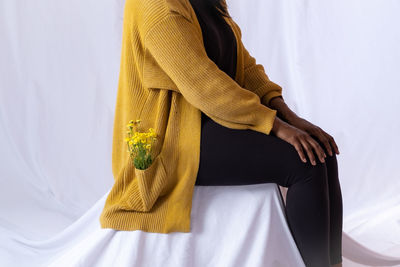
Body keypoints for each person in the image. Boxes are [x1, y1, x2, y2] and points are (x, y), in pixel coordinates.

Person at [190, 0, 343, 266]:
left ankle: (332, 263)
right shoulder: (155, 5)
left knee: (320, 151)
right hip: (179, 137)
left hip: (221, 120)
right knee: (302, 162)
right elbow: (204, 84)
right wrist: (277, 126)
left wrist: (291, 118)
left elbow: (246, 68)